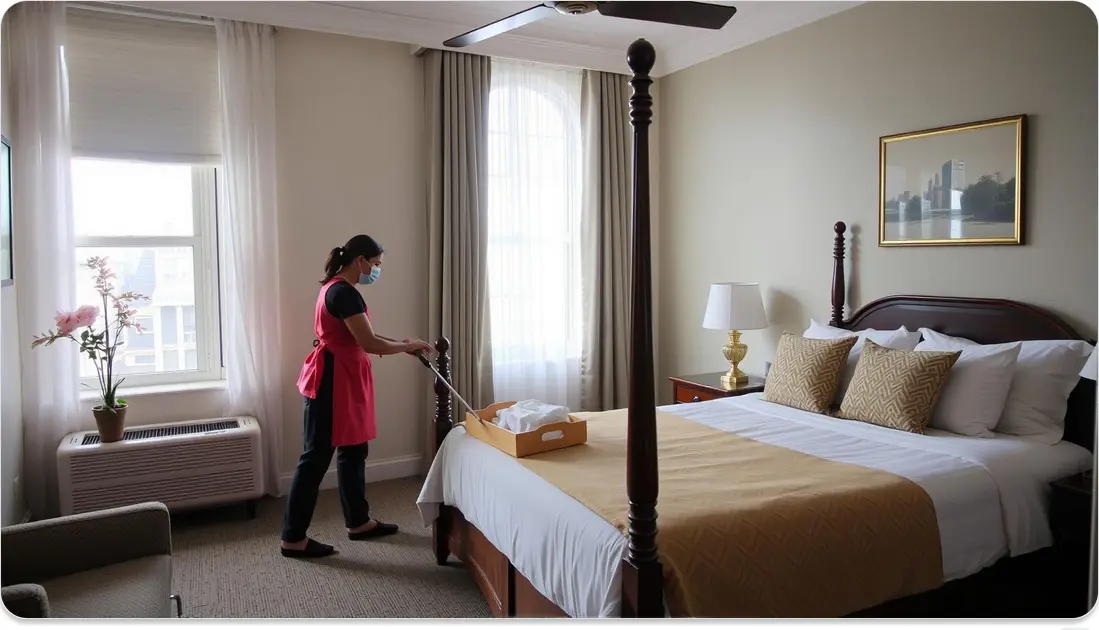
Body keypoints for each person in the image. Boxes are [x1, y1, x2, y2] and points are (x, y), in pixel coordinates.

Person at [281, 234, 433, 559]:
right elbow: (369, 343)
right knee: (316, 458)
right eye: (375, 265)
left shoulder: (338, 289)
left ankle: (358, 521)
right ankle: (293, 538)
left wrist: (403, 342)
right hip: (333, 381)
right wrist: (404, 346)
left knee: (353, 450)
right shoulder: (342, 293)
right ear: (360, 260)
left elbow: (365, 335)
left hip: (344, 377)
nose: (376, 271)